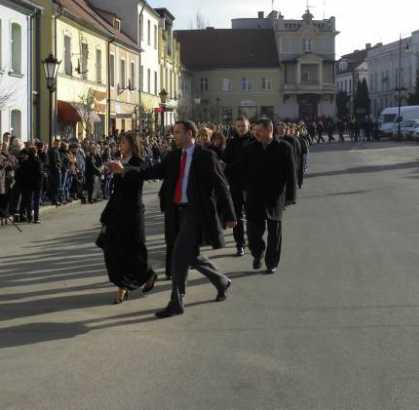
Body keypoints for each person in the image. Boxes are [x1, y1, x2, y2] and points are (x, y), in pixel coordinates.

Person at [107, 120, 237, 318]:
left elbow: (221, 185)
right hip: (176, 212)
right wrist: (125, 170)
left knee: (178, 255)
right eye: (173, 132)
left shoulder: (205, 156)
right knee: (191, 256)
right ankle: (221, 281)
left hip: (196, 212)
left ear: (189, 133)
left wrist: (229, 214)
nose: (173, 136)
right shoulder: (174, 156)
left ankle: (177, 302)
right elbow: (152, 172)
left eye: (177, 132)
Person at [231, 117, 297, 274]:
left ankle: (271, 262)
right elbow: (239, 167)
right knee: (253, 232)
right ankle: (257, 252)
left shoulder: (284, 147)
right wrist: (223, 167)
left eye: (258, 131)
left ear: (269, 130)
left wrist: (290, 197)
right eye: (254, 131)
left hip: (276, 196)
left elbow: (291, 173)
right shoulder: (250, 148)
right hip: (255, 195)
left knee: (274, 232)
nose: (255, 133)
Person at [98, 132, 158, 304]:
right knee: (110, 248)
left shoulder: (139, 162)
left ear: (132, 145)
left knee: (134, 250)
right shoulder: (120, 160)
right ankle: (124, 283)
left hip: (132, 212)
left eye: (123, 142)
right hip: (116, 211)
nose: (120, 145)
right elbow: (117, 190)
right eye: (120, 142)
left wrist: (123, 170)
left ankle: (133, 282)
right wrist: (111, 168)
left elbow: (139, 175)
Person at [222, 115, 254, 257]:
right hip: (236, 184)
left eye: (244, 126)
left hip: (251, 185)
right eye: (239, 126)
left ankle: (253, 242)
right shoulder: (231, 142)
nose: (241, 128)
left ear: (249, 126)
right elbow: (225, 162)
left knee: (252, 216)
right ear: (235, 127)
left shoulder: (254, 140)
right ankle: (240, 244)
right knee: (237, 217)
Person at [16, 147, 44, 223]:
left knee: (29, 201)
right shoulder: (38, 161)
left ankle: (29, 217)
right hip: (37, 184)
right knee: (36, 201)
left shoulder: (25, 162)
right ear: (35, 153)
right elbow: (39, 173)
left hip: (28, 184)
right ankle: (36, 218)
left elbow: (23, 174)